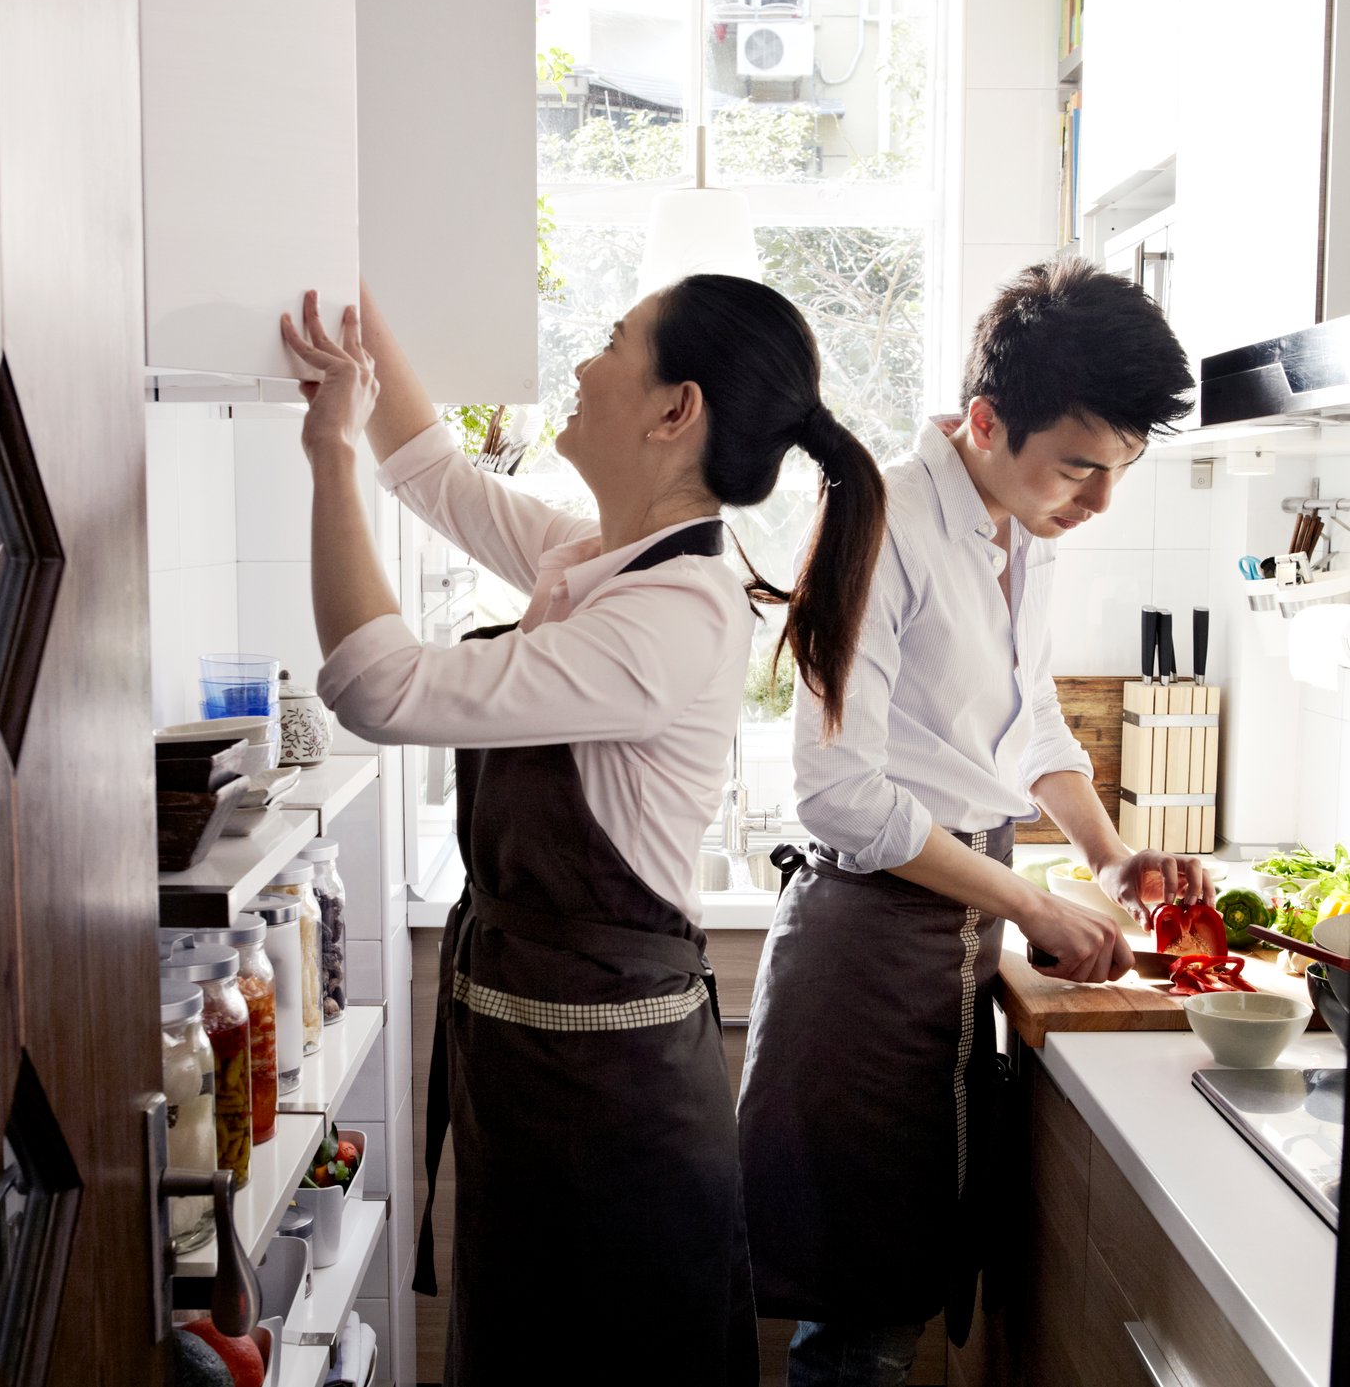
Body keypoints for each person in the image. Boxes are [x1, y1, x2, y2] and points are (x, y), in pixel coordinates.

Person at [279, 276, 886, 1385]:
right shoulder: (596, 564)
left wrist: (326, 459)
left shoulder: (668, 618)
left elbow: (379, 687)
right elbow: (433, 473)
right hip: (539, 1084)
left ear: (673, 409)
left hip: (616, 1125)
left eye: (611, 342)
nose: (579, 363)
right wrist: (348, 289)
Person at [736, 254, 1211, 1386]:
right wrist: (1023, 901)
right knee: (859, 1325)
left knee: (894, 1300)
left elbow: (1023, 715)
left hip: (949, 943)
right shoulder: (880, 516)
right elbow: (837, 790)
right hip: (864, 953)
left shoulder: (1012, 524)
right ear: (987, 420)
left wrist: (1108, 857)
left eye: (1117, 474)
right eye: (1078, 471)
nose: (1095, 504)